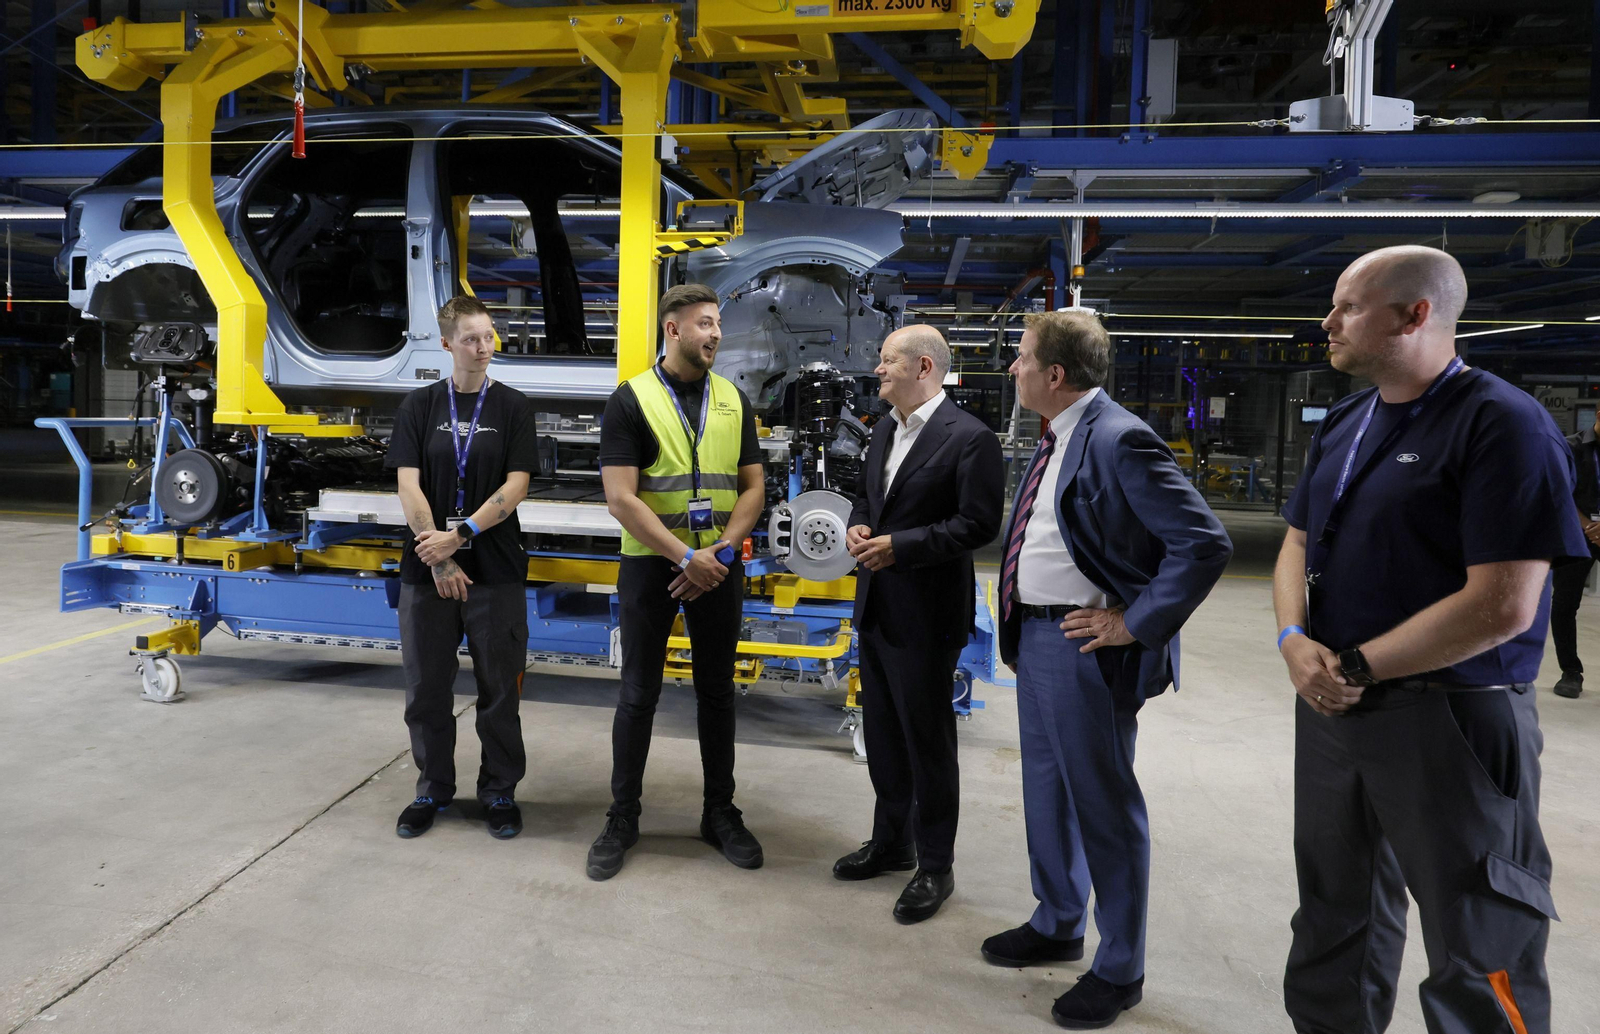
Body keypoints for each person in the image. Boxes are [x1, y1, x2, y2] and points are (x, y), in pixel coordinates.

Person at [1274, 246, 1589, 1034]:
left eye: (1348, 306)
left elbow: (1504, 605)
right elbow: (1297, 544)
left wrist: (1353, 665)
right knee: (1331, 915)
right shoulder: (1348, 421)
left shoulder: (1504, 425)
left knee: (1480, 940)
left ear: (1415, 314)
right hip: (1336, 710)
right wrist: (1292, 640)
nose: (1328, 321)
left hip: (1452, 717)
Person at [986, 310, 1231, 1029]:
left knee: (1101, 804)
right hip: (1034, 640)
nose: (1014, 369)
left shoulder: (1120, 438)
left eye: (1022, 358)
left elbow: (1203, 543)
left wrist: (1134, 622)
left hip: (1085, 647)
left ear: (1055, 375)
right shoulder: (1059, 433)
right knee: (1047, 793)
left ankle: (1120, 967)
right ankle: (1059, 919)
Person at [587, 284, 767, 881]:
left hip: (716, 564)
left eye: (718, 325)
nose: (716, 334)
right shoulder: (630, 400)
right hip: (649, 566)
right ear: (673, 329)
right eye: (705, 324)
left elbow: (752, 489)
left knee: (717, 691)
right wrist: (682, 557)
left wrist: (712, 553)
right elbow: (620, 497)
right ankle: (622, 816)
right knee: (638, 693)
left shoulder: (733, 400)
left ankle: (720, 813)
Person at [834, 325, 1004, 923]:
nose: (878, 371)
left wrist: (900, 547)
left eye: (887, 362)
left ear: (923, 366)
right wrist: (859, 525)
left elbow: (979, 524)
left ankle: (936, 863)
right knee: (881, 733)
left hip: (927, 616)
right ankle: (891, 841)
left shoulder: (970, 439)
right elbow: (866, 498)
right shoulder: (885, 428)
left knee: (927, 742)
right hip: (877, 606)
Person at [386, 295, 538, 840]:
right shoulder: (419, 406)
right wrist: (440, 552)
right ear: (448, 343)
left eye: (490, 335)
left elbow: (515, 486)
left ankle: (499, 791)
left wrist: (463, 534)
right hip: (427, 569)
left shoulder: (514, 408)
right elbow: (408, 483)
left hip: (494, 570)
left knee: (500, 690)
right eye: (471, 338)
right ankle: (431, 789)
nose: (484, 347)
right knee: (426, 687)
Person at [1552, 410, 1600, 698]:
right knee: (1565, 605)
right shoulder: (1571, 447)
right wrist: (1588, 525)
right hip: (1577, 532)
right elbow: (1558, 492)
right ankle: (1571, 672)